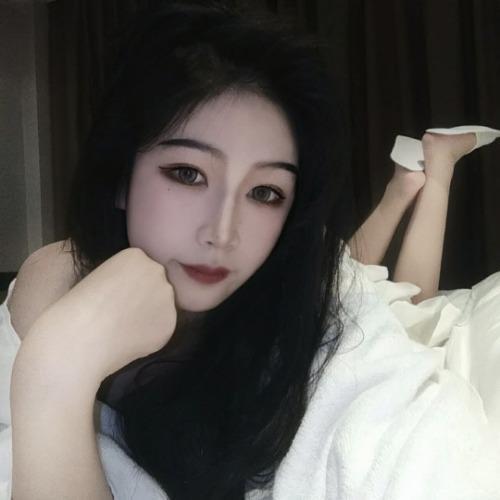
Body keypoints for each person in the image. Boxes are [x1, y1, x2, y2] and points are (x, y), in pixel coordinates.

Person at [1, 2, 500, 500]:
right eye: (187, 174)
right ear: (121, 178)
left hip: (309, 273)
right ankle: (408, 184)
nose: (223, 233)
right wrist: (54, 373)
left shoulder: (320, 316)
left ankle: (431, 176)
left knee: (403, 301)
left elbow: (400, 424)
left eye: (265, 192)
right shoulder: (57, 283)